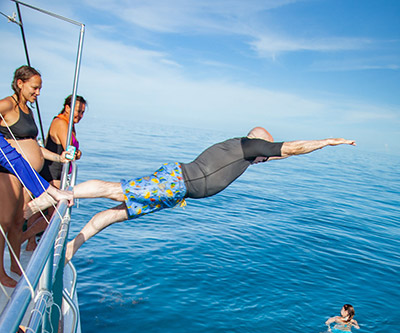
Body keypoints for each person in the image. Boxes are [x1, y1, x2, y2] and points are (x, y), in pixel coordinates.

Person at [24, 126, 356, 261]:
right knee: (114, 192)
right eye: (266, 153)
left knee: (117, 212)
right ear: (260, 143)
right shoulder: (248, 145)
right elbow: (294, 148)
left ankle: (72, 245)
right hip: (175, 182)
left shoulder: (242, 153)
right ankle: (55, 196)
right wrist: (327, 142)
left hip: (176, 190)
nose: (266, 159)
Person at [0, 65, 70, 286]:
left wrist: (60, 158)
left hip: (26, 175)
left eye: (40, 89)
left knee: (18, 220)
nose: (38, 93)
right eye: (35, 88)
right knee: (4, 222)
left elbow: (34, 147)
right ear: (20, 83)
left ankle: (14, 264)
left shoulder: (27, 111)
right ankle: (0, 274)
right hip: (9, 172)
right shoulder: (8, 104)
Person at [22, 93, 87, 244]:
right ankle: (21, 239)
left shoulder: (66, 123)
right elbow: (69, 150)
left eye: (83, 112)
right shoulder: (62, 124)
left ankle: (30, 244)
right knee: (53, 216)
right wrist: (77, 153)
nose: (80, 115)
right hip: (53, 175)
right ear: (67, 108)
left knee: (40, 213)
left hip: (49, 172)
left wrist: (77, 152)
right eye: (78, 110)